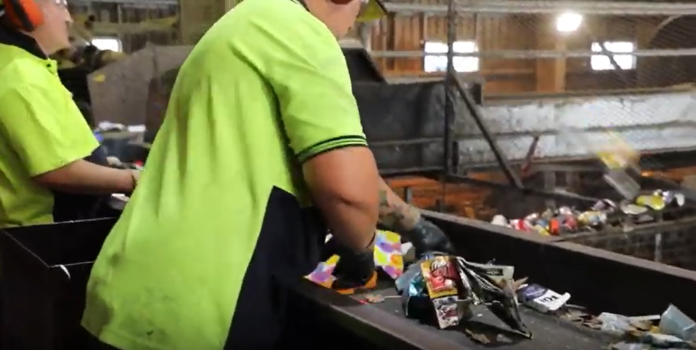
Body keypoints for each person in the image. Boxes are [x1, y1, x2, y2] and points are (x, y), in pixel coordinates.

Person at [81, 0, 453, 348]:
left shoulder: (246, 23)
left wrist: (412, 221)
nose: (354, 21)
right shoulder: (301, 33)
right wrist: (360, 249)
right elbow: (347, 193)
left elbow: (350, 179)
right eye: (359, 7)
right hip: (203, 309)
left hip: (132, 289)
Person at [0, 0, 139, 228]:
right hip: (40, 233)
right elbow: (57, 171)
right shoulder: (19, 74)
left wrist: (103, 165)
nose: (69, 18)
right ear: (27, 10)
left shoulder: (21, 63)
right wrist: (134, 180)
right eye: (60, 5)